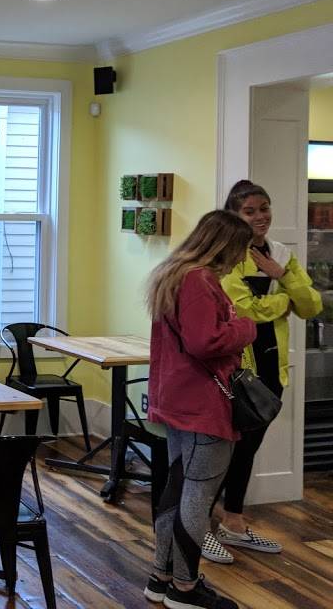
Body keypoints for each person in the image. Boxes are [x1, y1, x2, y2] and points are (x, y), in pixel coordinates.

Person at [200, 181, 322, 564]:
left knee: (248, 448)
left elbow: (311, 306)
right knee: (220, 451)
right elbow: (245, 311)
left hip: (271, 369)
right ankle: (198, 528)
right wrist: (284, 299)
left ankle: (233, 523)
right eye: (250, 211)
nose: (260, 217)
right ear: (233, 215)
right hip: (235, 368)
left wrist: (280, 274)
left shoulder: (281, 254)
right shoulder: (226, 256)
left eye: (264, 208)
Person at [143, 210, 257, 609]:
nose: (243, 257)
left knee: (177, 491)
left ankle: (161, 578)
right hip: (202, 402)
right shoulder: (199, 280)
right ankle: (185, 588)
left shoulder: (173, 274)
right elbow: (203, 342)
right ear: (224, 245)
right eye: (242, 248)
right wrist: (246, 327)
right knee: (197, 496)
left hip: (179, 399)